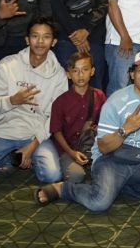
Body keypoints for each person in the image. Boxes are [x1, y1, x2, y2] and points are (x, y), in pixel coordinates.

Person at [36, 50, 140, 209]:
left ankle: (114, 186)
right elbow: (103, 147)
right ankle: (63, 189)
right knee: (99, 203)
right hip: (109, 159)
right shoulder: (116, 101)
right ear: (132, 74)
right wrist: (125, 130)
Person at [0, 17, 68, 183]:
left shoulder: (59, 75)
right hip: (3, 130)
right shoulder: (7, 65)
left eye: (46, 37)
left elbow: (54, 117)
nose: (40, 42)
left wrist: (32, 146)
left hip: (34, 134)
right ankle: (10, 157)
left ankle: (21, 157)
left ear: (54, 42)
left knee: (52, 175)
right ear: (27, 40)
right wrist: (12, 100)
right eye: (35, 36)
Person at [49, 51, 105, 183]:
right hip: (69, 149)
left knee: (107, 172)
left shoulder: (99, 95)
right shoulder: (60, 101)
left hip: (92, 147)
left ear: (92, 71)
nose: (80, 75)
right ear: (68, 74)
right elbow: (56, 131)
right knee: (76, 176)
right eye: (75, 71)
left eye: (85, 69)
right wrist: (71, 152)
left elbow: (105, 123)